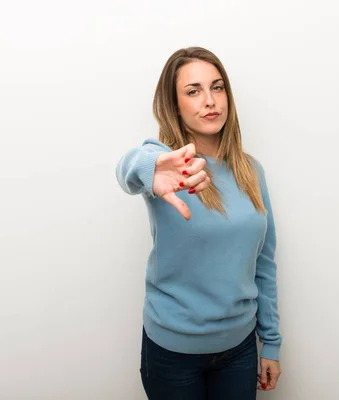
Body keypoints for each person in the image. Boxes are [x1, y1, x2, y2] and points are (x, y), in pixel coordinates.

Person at [115, 46, 282, 400]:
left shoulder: (252, 171)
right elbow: (129, 167)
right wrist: (152, 167)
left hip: (239, 347)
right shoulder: (168, 164)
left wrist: (271, 343)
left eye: (217, 87)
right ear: (175, 105)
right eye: (193, 91)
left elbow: (263, 264)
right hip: (173, 352)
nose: (210, 100)